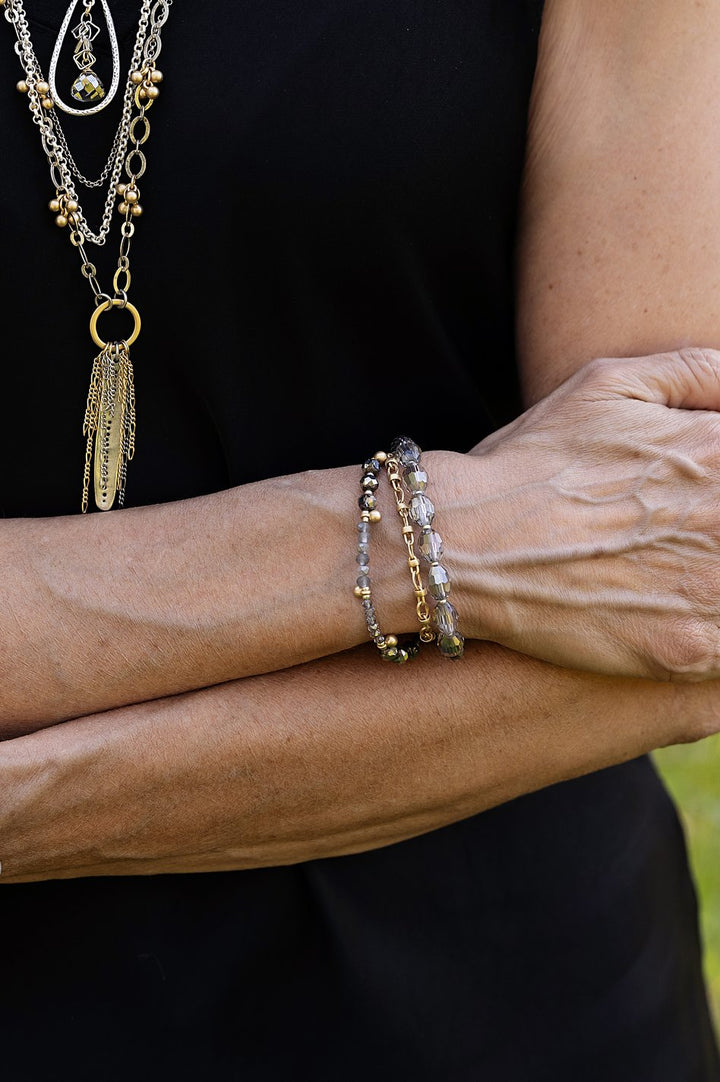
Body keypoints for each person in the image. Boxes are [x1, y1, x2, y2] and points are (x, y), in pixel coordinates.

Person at [1, 0, 719, 1078]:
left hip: (511, 1009)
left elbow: (682, 585)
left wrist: (31, 801)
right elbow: (609, 545)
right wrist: (460, 535)